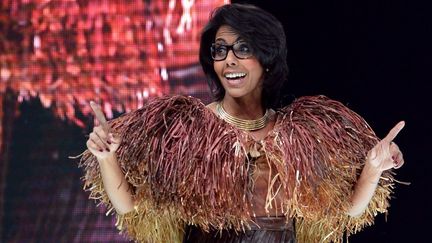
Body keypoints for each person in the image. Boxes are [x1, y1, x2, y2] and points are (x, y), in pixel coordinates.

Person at [79, 3, 406, 243]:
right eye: (220, 50)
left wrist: (374, 168)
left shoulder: (300, 134)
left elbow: (348, 210)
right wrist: (108, 158)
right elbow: (130, 204)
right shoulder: (186, 128)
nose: (229, 59)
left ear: (267, 59)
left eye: (242, 49)